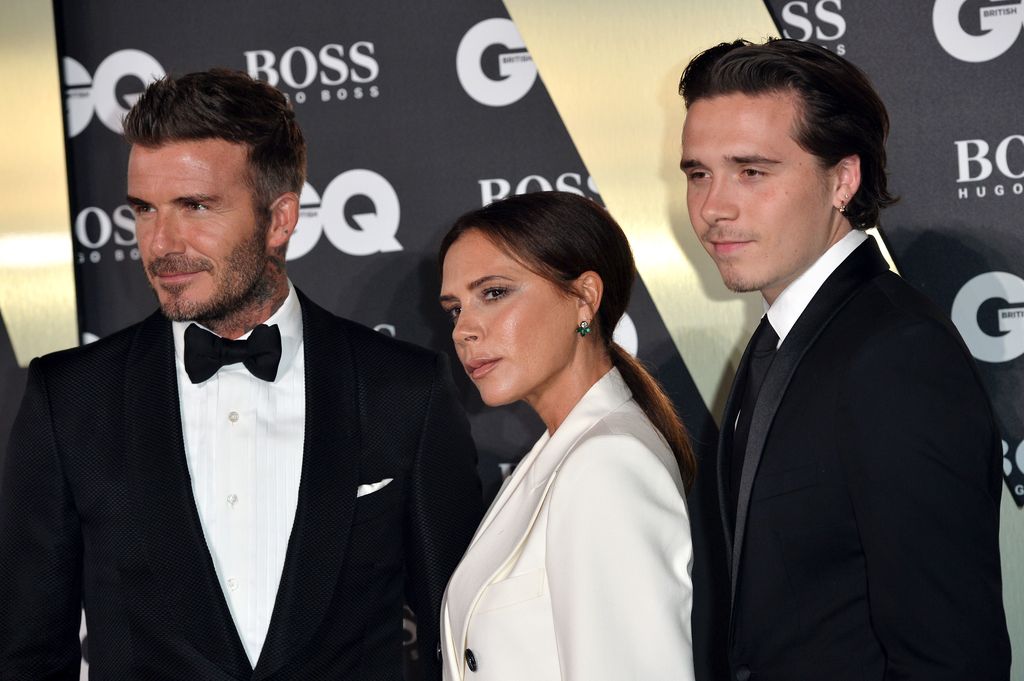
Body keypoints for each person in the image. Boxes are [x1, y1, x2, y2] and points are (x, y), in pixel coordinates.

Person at [0, 68, 483, 680]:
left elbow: (461, 635)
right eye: (144, 210)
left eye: (195, 206)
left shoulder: (402, 389)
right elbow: (27, 653)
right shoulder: (68, 398)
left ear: (280, 219)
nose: (161, 243)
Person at [678, 38, 1010, 680]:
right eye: (698, 173)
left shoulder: (895, 356)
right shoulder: (787, 338)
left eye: (752, 171)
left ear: (842, 180)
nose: (714, 207)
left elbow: (951, 657)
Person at [436, 191, 696, 681]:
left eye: (493, 293)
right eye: (455, 309)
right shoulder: (561, 453)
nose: (464, 330)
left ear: (584, 298)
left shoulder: (607, 463)